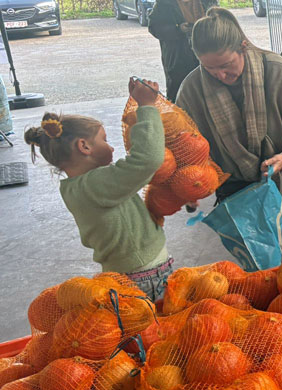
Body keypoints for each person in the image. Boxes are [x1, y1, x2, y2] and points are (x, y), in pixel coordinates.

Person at [175, 8, 282, 238]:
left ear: (243, 47)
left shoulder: (280, 73)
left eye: (226, 65)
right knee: (255, 259)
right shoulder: (191, 90)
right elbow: (185, 149)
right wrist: (188, 181)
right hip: (236, 195)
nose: (220, 75)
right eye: (209, 68)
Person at [23, 79, 173, 301]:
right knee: (158, 321)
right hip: (144, 275)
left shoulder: (77, 187)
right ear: (84, 146)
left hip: (132, 272)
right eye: (104, 140)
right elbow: (147, 160)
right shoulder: (95, 185)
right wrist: (146, 106)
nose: (110, 147)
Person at [148, 0, 219, 101]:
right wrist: (177, 29)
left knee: (207, 94)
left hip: (206, 52)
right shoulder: (165, 1)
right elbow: (154, 27)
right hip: (178, 56)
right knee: (179, 94)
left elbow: (220, 21)